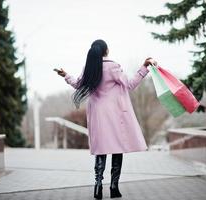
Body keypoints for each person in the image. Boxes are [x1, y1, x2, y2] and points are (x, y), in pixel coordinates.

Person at [55, 39, 156, 199]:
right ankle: (114, 187)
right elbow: (129, 84)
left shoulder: (89, 68)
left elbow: (78, 85)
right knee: (117, 148)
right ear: (106, 50)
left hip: (97, 115)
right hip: (114, 114)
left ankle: (98, 187)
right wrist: (144, 67)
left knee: (101, 150)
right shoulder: (113, 67)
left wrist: (66, 75)